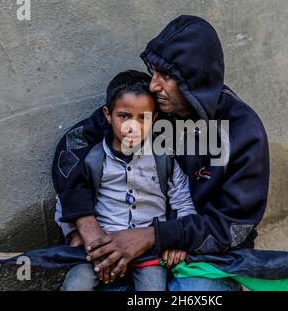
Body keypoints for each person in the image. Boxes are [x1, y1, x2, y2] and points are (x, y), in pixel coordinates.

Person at [52, 15, 270, 291]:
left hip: (204, 254)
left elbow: (235, 226)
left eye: (166, 76)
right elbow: (72, 146)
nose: (154, 85)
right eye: (154, 71)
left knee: (192, 293)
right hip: (141, 247)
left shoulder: (243, 132)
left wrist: (158, 236)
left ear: (195, 80)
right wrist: (85, 224)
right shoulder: (152, 111)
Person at [54, 70, 197, 291]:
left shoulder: (164, 158)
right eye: (124, 116)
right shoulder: (92, 159)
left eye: (144, 118)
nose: (133, 126)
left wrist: (176, 239)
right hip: (101, 247)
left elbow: (183, 200)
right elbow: (66, 197)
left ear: (155, 119)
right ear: (107, 115)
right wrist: (75, 234)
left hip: (149, 249)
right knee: (76, 285)